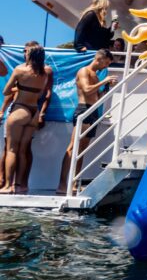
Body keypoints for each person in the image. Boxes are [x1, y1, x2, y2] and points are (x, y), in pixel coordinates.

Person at [57, 49, 117, 195]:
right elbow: (87, 90)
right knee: (73, 148)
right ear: (100, 59)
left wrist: (107, 87)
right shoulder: (84, 71)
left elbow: (97, 96)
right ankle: (62, 184)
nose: (106, 66)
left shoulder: (96, 75)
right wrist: (105, 81)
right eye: (106, 63)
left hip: (93, 111)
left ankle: (74, 182)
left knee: (81, 151)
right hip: (84, 110)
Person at [1, 45, 49, 193]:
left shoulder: (20, 70)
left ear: (31, 55)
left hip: (20, 109)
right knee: (23, 151)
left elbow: (6, 91)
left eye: (27, 52)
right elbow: (41, 94)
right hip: (34, 112)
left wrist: (19, 88)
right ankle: (20, 186)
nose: (25, 54)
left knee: (11, 149)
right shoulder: (44, 74)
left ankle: (8, 186)